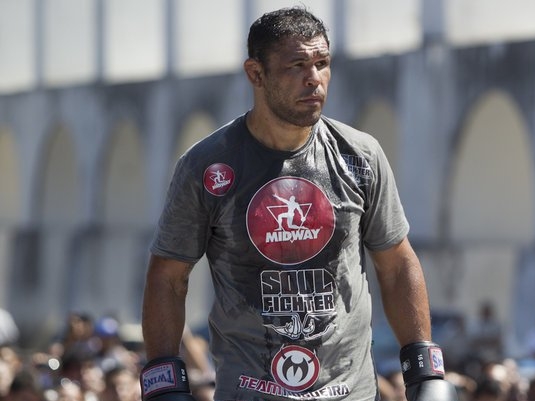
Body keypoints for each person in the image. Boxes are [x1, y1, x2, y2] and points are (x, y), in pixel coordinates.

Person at [140, 6, 458, 401]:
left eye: (322, 63)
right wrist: (165, 385)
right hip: (250, 391)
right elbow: (168, 278)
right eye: (297, 66)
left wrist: (425, 371)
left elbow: (396, 265)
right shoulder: (207, 165)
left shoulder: (360, 155)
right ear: (256, 74)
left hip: (350, 392)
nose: (314, 79)